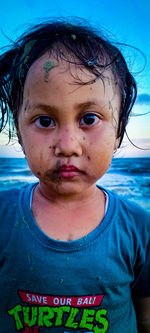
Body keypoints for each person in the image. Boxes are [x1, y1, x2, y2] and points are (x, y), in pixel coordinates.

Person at [0, 18, 150, 333]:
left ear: (119, 131)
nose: (68, 146)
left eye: (89, 118)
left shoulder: (139, 227)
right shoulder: (2, 216)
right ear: (19, 131)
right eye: (44, 121)